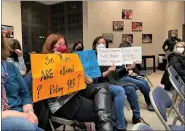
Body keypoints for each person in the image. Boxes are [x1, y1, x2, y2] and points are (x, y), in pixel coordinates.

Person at [26, 33, 114, 131]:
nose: (63, 47)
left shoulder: (70, 60)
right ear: (51, 46)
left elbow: (75, 83)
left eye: (64, 44)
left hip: (75, 96)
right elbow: (32, 86)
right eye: (59, 44)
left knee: (104, 90)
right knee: (106, 112)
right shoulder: (41, 64)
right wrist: (51, 63)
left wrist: (85, 80)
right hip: (61, 103)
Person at [92, 36, 148, 126]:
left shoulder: (108, 56)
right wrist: (108, 71)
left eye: (103, 43)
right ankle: (120, 125)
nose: (101, 45)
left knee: (131, 88)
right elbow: (93, 79)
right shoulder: (92, 58)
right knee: (120, 90)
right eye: (99, 43)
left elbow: (116, 75)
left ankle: (136, 117)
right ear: (95, 45)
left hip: (112, 81)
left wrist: (126, 69)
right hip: (100, 84)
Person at [1, 33, 43, 131]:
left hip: (21, 113)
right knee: (27, 126)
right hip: (9, 118)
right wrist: (23, 115)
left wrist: (29, 111)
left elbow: (25, 94)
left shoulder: (11, 66)